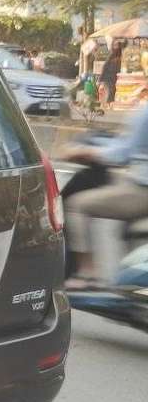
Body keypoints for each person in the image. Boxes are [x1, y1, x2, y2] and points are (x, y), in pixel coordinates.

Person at [64, 87, 148, 288]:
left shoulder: (144, 113)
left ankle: (87, 273)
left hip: (142, 191)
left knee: (76, 206)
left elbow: (121, 153)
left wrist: (85, 151)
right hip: (136, 184)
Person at [99, 41, 124, 110]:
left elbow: (105, 66)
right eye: (115, 45)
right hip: (109, 76)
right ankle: (107, 104)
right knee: (110, 90)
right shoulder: (113, 55)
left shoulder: (118, 56)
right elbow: (105, 66)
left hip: (113, 76)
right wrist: (101, 77)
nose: (116, 47)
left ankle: (108, 104)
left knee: (111, 90)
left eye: (117, 45)